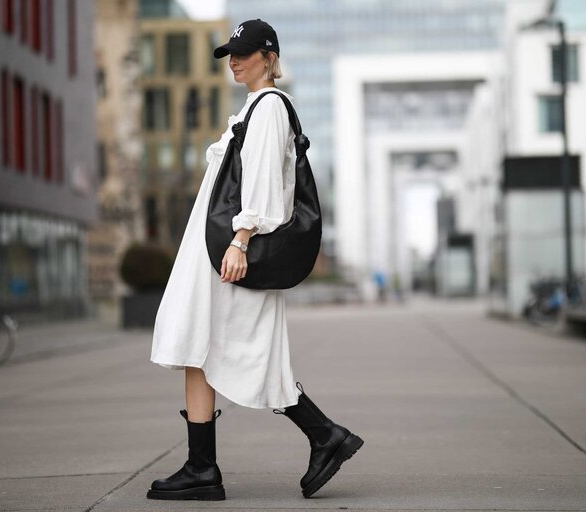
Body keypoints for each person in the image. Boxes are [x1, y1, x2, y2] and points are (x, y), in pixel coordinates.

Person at [147, 19, 363, 501]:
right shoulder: (251, 109)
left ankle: (320, 437)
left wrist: (240, 242)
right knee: (196, 346)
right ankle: (206, 466)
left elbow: (263, 184)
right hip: (214, 251)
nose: (235, 60)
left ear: (269, 56)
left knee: (239, 351)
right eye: (230, 53)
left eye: (244, 52)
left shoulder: (269, 107)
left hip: (228, 252)